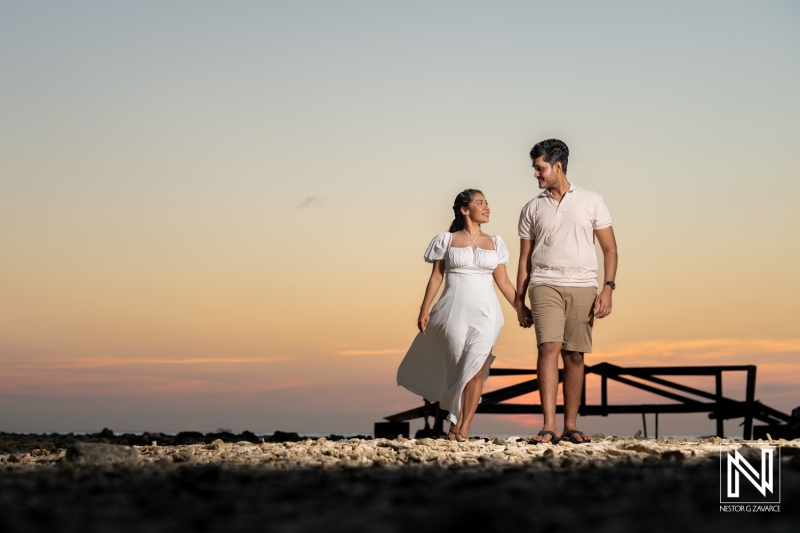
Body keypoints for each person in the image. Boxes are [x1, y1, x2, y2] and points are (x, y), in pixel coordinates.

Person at [515, 139, 618, 444]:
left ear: (557, 166)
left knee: (574, 356)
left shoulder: (592, 200)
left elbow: (610, 249)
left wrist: (608, 288)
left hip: (583, 285)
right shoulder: (531, 208)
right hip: (543, 283)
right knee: (549, 347)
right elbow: (524, 260)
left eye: (540, 168)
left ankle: (571, 425)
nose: (536, 174)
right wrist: (519, 302)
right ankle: (549, 425)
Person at [397, 189, 517, 442]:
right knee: (456, 367)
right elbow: (437, 277)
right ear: (465, 209)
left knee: (476, 367)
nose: (487, 208)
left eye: (487, 203)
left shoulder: (495, 242)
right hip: (452, 310)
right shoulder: (447, 240)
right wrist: (424, 309)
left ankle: (464, 427)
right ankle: (453, 418)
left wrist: (522, 308)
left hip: (487, 312)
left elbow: (504, 282)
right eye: (480, 203)